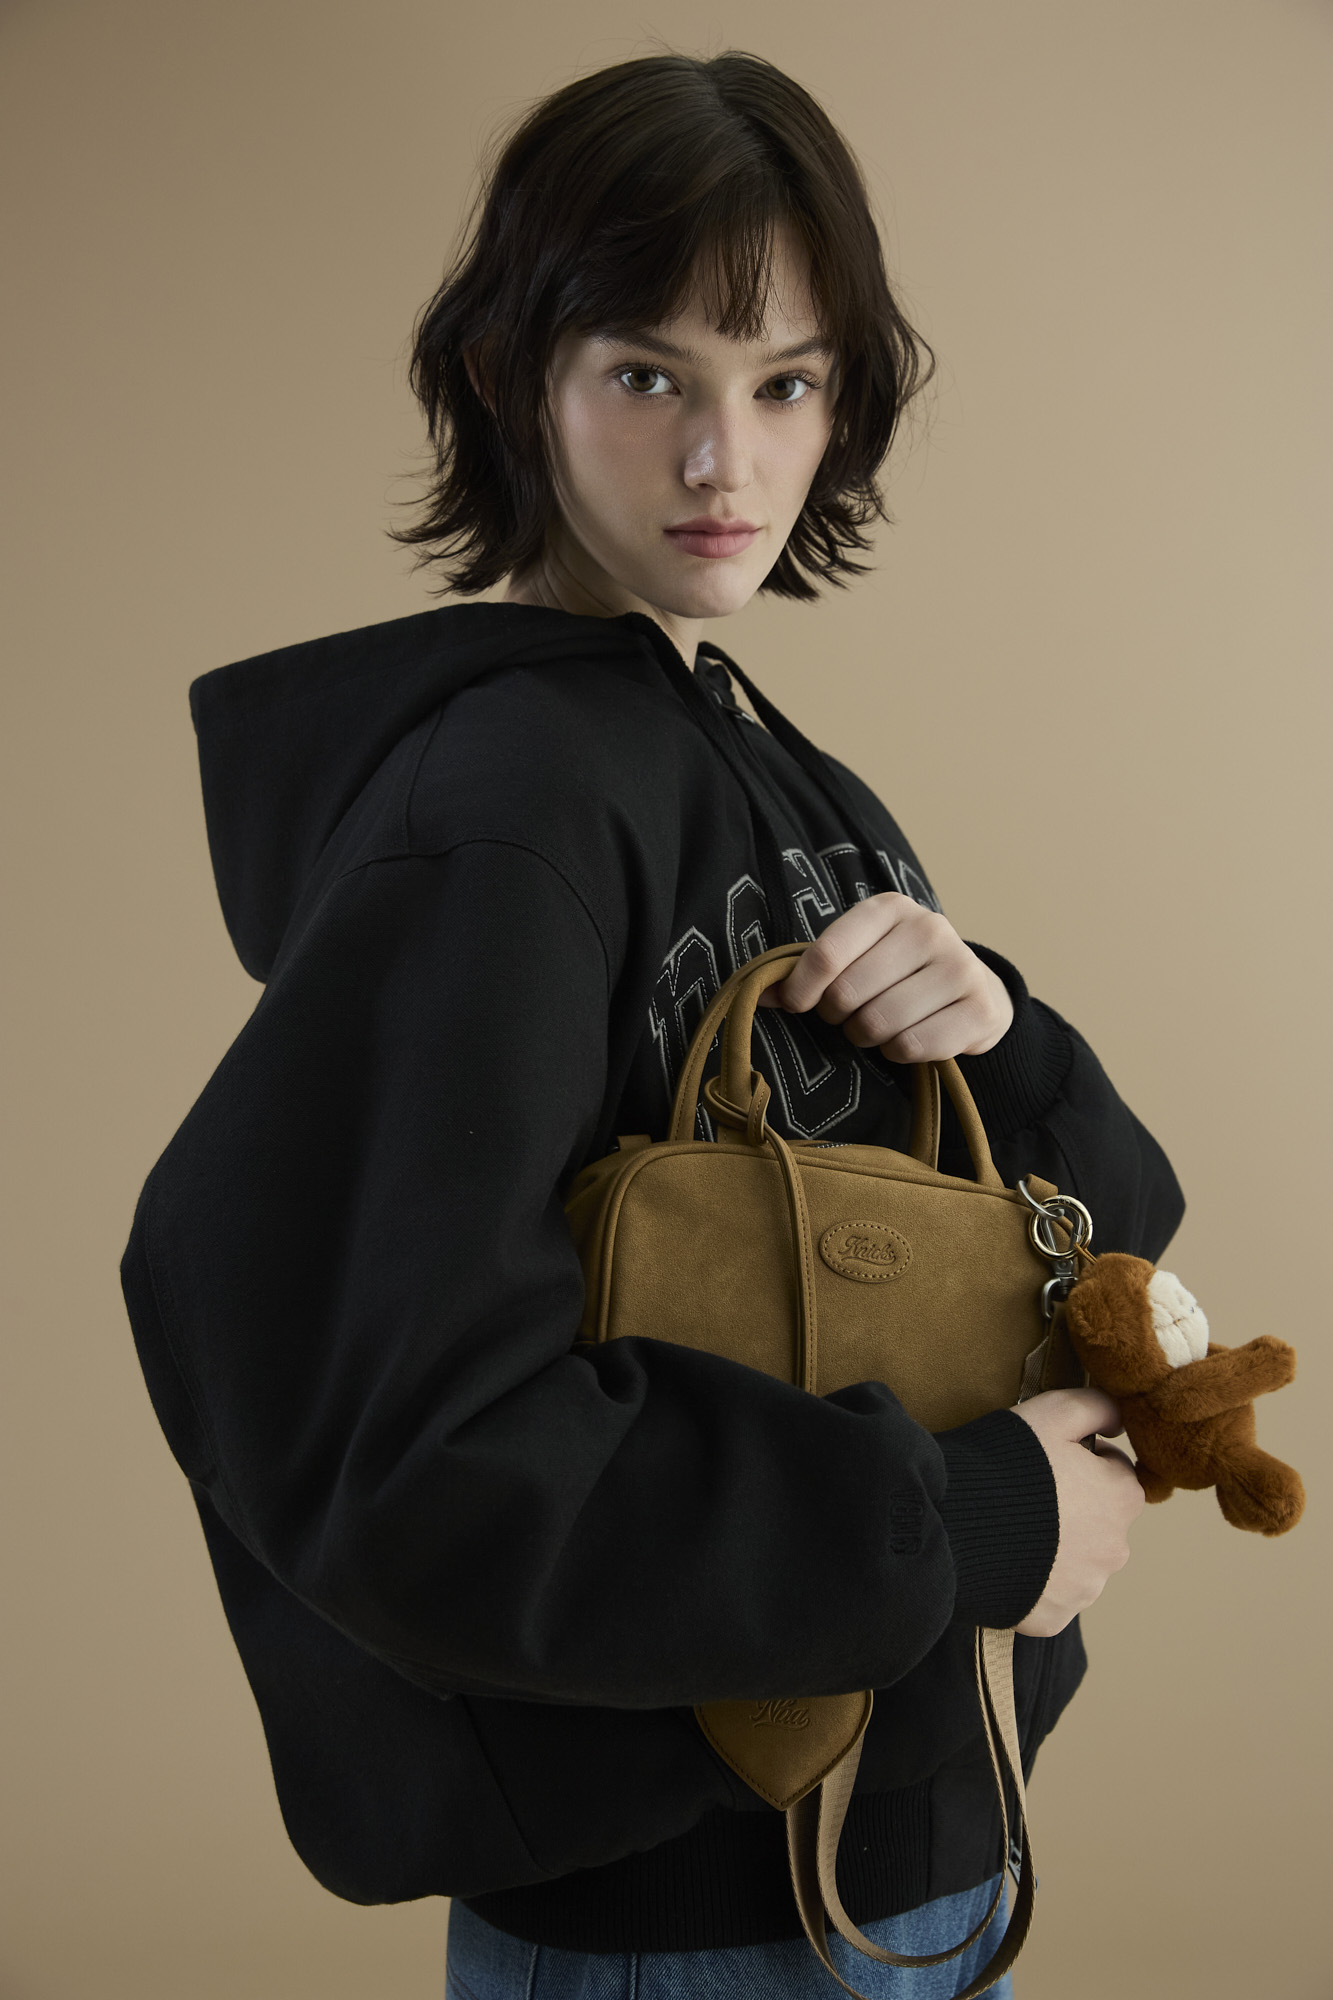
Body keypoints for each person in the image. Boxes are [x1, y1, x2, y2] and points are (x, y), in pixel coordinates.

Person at [121, 50, 1181, 2000]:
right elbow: (409, 1442)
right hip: (693, 1928)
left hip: (919, 1859)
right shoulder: (504, 814)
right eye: (647, 376)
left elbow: (1069, 1250)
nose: (725, 464)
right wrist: (967, 1521)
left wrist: (1009, 1037)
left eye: (784, 384)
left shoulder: (784, 777)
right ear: (510, 378)